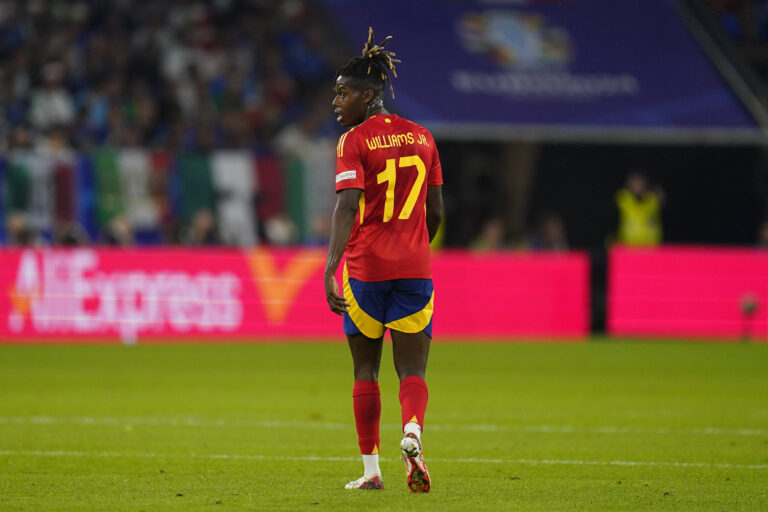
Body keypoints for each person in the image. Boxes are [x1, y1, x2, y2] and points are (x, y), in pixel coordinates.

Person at [323, 28, 443, 493]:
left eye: (343, 92)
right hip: (415, 271)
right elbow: (435, 214)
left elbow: (347, 206)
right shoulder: (424, 137)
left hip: (367, 273)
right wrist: (413, 244)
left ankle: (372, 472)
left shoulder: (353, 141)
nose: (337, 101)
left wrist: (332, 265)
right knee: (412, 371)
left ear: (369, 96)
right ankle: (412, 432)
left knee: (364, 370)